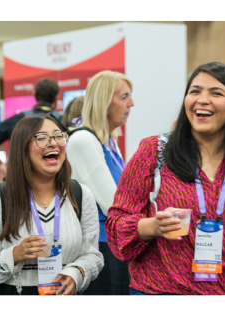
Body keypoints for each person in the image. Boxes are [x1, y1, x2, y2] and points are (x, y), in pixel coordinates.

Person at [106, 62, 225, 296]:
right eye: (195, 91)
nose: (202, 99)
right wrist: (152, 226)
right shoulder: (153, 151)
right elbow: (116, 225)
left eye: (216, 93)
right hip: (162, 291)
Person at [0, 114, 103, 296]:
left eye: (58, 136)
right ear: (22, 148)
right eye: (42, 138)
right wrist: (13, 255)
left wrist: (76, 274)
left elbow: (93, 255)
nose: (53, 143)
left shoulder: (80, 195)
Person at [66, 70, 134, 296]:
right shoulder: (84, 140)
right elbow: (114, 204)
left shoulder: (109, 143)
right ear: (104, 102)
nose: (131, 104)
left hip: (115, 244)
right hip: (99, 247)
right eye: (124, 97)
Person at [0, 78, 62, 182]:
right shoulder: (63, 121)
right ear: (56, 98)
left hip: (18, 182)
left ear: (34, 94)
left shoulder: (17, 119)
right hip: (55, 182)